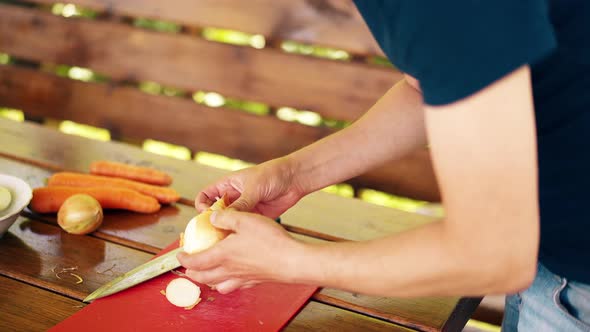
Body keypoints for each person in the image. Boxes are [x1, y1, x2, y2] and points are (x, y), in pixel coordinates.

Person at [177, 1, 590, 331]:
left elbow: (493, 255)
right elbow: (431, 86)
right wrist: (294, 174)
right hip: (550, 249)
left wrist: (289, 262)